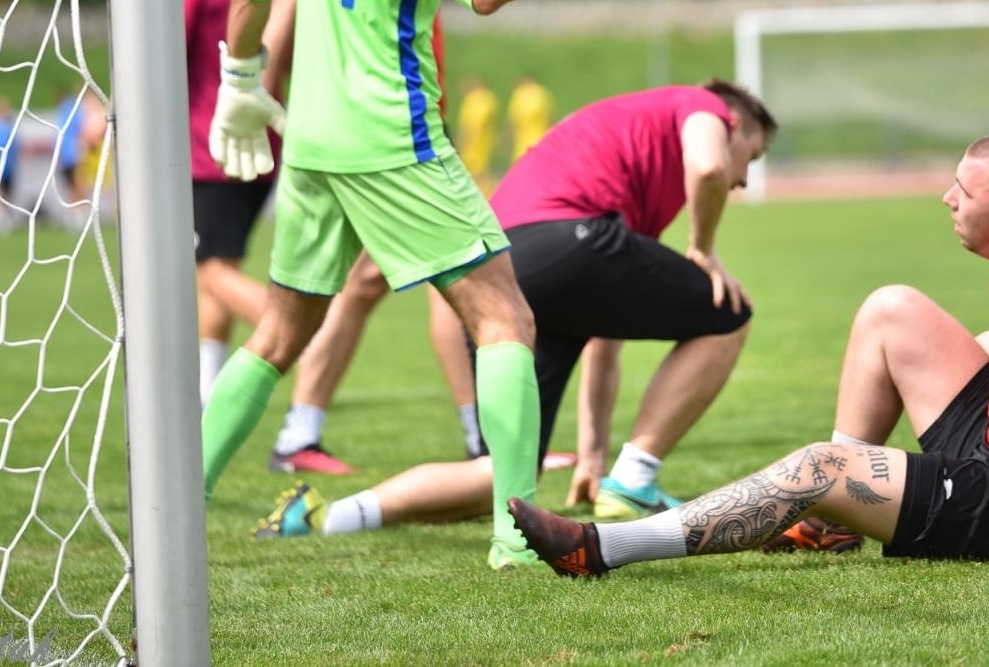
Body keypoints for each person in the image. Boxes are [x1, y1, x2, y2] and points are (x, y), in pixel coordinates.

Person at [201, 0, 666, 571]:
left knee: (276, 335)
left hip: (310, 142)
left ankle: (175, 501)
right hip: (390, 140)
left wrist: (239, 83)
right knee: (505, 319)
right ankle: (517, 541)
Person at [506, 134, 989, 577]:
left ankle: (601, 548)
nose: (948, 199)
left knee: (818, 469)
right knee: (890, 309)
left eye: (965, 192)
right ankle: (835, 522)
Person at [252, 79, 774, 541]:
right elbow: (708, 166)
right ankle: (637, 477)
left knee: (501, 480)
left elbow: (607, 334)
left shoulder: (638, 180)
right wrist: (703, 249)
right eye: (751, 156)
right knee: (727, 315)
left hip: (497, 277)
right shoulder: (702, 102)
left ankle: (327, 517)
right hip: (564, 240)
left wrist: (592, 456)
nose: (744, 179)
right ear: (734, 124)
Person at [268, 0, 504, 477]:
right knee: (478, 289)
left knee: (364, 291)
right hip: (377, 135)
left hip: (373, 127)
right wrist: (258, 99)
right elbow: (284, 5)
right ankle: (484, 449)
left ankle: (298, 431)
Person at [181, 0, 290, 406]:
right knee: (218, 264)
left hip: (210, 149)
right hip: (260, 142)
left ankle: (297, 335)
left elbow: (163, 54)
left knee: (211, 270)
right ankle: (206, 389)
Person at [455, 75, 500, 192]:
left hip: (474, 147)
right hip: (484, 145)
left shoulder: (475, 99)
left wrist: (462, 139)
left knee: (476, 177)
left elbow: (473, 125)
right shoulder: (488, 98)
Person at [506, 72, 553, 163]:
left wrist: (508, 135)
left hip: (523, 141)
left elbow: (513, 119)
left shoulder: (520, 94)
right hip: (540, 138)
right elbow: (550, 119)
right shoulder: (543, 94)